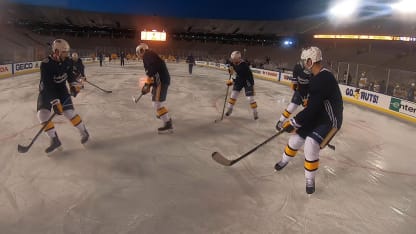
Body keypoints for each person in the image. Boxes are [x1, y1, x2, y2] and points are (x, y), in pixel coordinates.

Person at [274, 46, 343, 194]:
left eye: (305, 61)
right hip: (318, 114)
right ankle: (284, 161)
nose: (304, 64)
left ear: (311, 61)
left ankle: (310, 179)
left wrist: (294, 122)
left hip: (330, 119)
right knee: (295, 140)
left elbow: (312, 108)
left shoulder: (324, 78)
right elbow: (310, 100)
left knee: (310, 144)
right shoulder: (315, 76)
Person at [37, 39, 89, 153]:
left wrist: (73, 86)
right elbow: (47, 84)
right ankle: (54, 140)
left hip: (61, 90)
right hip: (46, 91)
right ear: (56, 52)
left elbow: (70, 76)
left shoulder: (68, 61)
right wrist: (55, 102)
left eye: (67, 52)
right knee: (42, 114)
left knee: (69, 112)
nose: (67, 54)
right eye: (64, 52)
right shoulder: (46, 64)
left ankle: (84, 132)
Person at [136, 43, 173, 133]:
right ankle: (164, 115)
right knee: (157, 103)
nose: (138, 55)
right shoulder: (150, 55)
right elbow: (155, 71)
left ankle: (168, 123)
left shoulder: (148, 55)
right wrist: (148, 85)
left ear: (142, 50)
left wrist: (148, 82)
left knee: (157, 104)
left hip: (161, 82)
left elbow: (153, 69)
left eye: (138, 52)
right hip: (160, 81)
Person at [276, 60, 311, 130]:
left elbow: (315, 86)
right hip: (300, 91)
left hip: (309, 93)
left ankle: (308, 124)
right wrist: (295, 86)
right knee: (292, 106)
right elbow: (294, 81)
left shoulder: (314, 71)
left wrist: (308, 97)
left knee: (309, 110)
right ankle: (281, 121)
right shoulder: (298, 66)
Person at [225, 51, 258, 120]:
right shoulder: (233, 62)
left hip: (247, 81)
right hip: (239, 80)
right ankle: (229, 109)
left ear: (239, 58)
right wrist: (229, 69)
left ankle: (255, 112)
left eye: (234, 59)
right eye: (232, 59)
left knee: (250, 98)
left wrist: (231, 81)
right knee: (233, 95)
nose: (233, 60)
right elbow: (231, 68)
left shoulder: (243, 66)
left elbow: (239, 77)